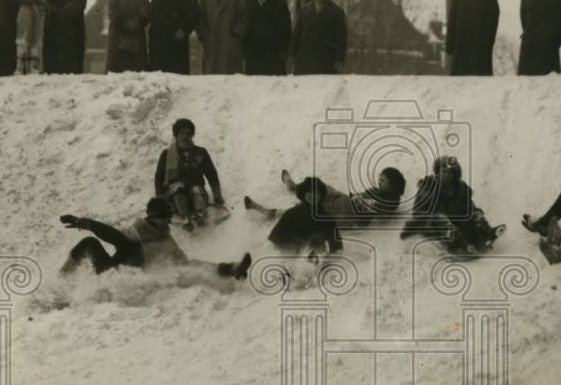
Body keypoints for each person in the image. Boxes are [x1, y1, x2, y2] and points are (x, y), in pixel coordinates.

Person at [59, 197, 251, 280]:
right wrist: (84, 222)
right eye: (166, 218)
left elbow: (186, 263)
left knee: (188, 263)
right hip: (111, 277)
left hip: (131, 280)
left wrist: (225, 269)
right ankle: (62, 279)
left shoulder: (163, 236)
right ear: (154, 218)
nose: (169, 223)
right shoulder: (136, 233)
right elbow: (111, 234)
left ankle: (231, 268)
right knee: (90, 243)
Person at [401, 156, 504, 254]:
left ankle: (487, 233)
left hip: (454, 225)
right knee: (440, 219)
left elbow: (470, 207)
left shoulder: (460, 188)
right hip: (430, 227)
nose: (447, 175)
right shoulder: (427, 188)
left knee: (474, 212)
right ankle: (463, 246)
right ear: (437, 173)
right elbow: (418, 213)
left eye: (450, 172)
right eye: (444, 171)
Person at [245, 166, 407, 225]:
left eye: (383, 180)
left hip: (346, 214)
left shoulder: (392, 199)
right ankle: (295, 188)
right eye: (379, 179)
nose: (379, 182)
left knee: (307, 209)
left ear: (392, 183)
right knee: (319, 187)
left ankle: (268, 212)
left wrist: (364, 203)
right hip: (345, 202)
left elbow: (376, 209)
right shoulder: (378, 191)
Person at [154, 118, 225, 231]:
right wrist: (160, 200)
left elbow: (211, 173)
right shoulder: (167, 154)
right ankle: (184, 217)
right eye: (181, 133)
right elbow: (159, 177)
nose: (184, 136)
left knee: (197, 190)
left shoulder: (200, 152)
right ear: (176, 135)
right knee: (178, 188)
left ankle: (200, 214)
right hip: (175, 196)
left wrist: (217, 194)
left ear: (192, 135)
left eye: (188, 133)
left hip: (196, 191)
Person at [445, 0, 500, 76]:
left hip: (481, 51)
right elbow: (452, 20)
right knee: (459, 87)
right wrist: (449, 43)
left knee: (480, 88)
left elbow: (493, 22)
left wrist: (488, 42)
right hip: (461, 50)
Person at [149, 0, 200, 74]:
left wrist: (183, 29)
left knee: (176, 80)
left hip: (176, 42)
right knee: (157, 80)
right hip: (158, 44)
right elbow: (151, 14)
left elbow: (194, 13)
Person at [290, 0, 348, 75]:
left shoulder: (337, 11)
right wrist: (291, 54)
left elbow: (341, 39)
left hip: (326, 61)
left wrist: (339, 60)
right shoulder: (305, 10)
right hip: (305, 60)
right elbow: (296, 34)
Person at [196, 0, 248, 74]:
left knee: (230, 80)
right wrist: (205, 36)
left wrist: (235, 34)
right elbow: (199, 20)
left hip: (230, 48)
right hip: (211, 47)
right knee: (211, 79)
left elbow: (243, 19)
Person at [242, 0, 292, 75]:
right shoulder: (246, 3)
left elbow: (286, 30)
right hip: (253, 57)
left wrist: (283, 51)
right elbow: (243, 30)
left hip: (274, 57)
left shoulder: (280, 3)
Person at [43, 0, 88, 74]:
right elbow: (45, 4)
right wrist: (56, 12)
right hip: (54, 28)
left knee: (73, 64)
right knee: (54, 64)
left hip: (74, 29)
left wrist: (68, 11)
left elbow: (81, 2)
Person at [106, 0, 150, 72]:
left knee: (137, 72)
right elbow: (112, 12)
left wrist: (135, 24)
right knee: (117, 71)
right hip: (118, 36)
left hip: (136, 36)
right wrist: (123, 25)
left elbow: (146, 13)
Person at [10, 0, 49, 74]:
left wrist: (42, 3)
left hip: (39, 11)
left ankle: (34, 66)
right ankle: (20, 66)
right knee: (23, 36)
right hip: (25, 9)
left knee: (37, 38)